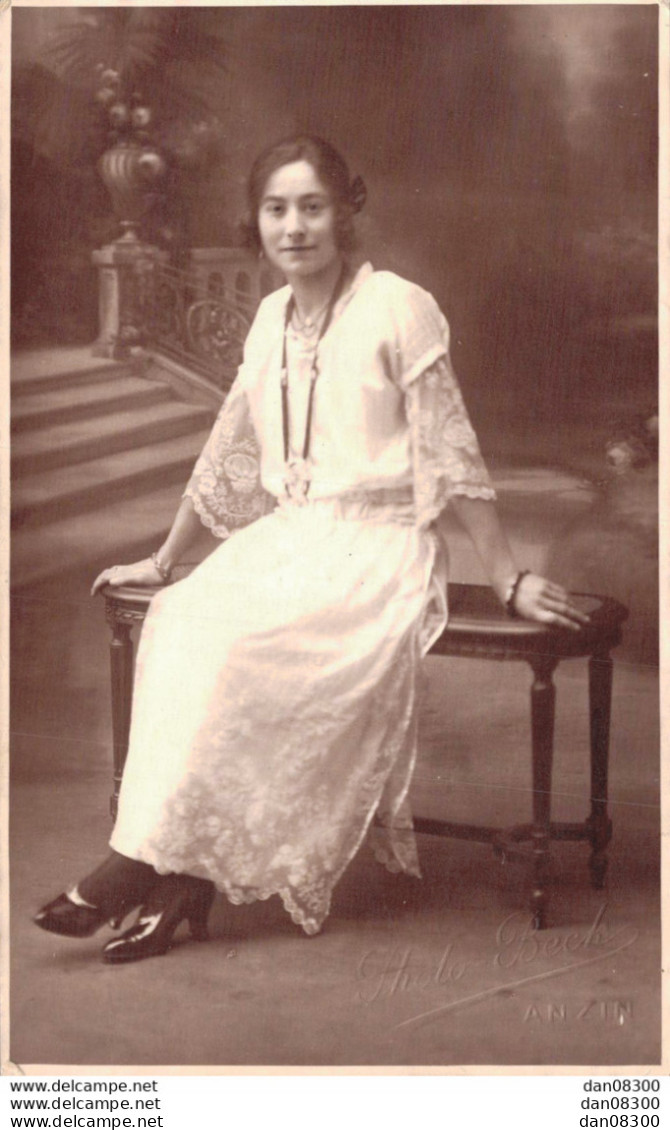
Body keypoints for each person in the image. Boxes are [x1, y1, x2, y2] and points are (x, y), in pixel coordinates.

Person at [34, 136, 588, 963]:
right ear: (256, 222)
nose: (294, 227)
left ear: (346, 211)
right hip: (293, 538)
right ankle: (180, 878)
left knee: (240, 643)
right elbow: (229, 449)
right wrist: (165, 557)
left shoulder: (398, 306)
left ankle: (135, 870)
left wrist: (504, 575)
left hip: (377, 544)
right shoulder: (268, 320)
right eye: (276, 209)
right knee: (184, 616)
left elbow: (448, 449)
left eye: (312, 207)